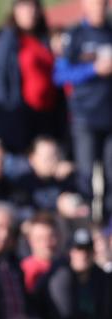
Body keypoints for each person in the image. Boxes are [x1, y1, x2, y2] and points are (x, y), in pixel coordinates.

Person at [53, 0, 112, 218]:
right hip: (84, 118)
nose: (100, 7)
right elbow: (60, 75)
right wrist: (93, 69)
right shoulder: (75, 35)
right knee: (85, 176)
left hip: (109, 118)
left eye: (104, 3)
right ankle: (84, 228)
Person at [0, 0, 65, 154]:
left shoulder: (45, 39)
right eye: (24, 6)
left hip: (49, 117)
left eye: (33, 6)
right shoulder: (7, 40)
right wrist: (6, 114)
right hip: (21, 118)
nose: (30, 11)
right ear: (15, 11)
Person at [37, 226, 112, 319]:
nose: (83, 255)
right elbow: (63, 317)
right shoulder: (59, 275)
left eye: (87, 250)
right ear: (69, 252)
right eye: (78, 249)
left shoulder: (102, 278)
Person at [20, 211, 60, 294]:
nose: (46, 244)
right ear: (30, 240)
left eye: (51, 237)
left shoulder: (66, 266)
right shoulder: (25, 271)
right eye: (40, 239)